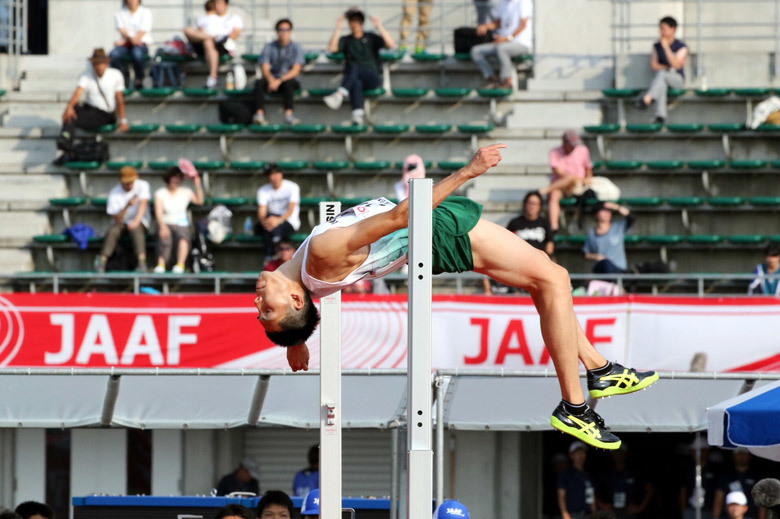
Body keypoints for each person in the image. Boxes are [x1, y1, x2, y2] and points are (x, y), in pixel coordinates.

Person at [254, 143, 659, 449]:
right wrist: (469, 170)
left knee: (550, 279)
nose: (257, 302)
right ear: (294, 301)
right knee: (553, 281)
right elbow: (399, 217)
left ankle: (598, 368)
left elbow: (309, 299)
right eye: (267, 309)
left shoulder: (307, 279)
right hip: (432, 229)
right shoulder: (320, 258)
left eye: (259, 311)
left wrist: (296, 339)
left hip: (428, 233)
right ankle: (575, 408)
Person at [54, 48, 128, 166]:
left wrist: (122, 119)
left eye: (101, 63)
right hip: (90, 109)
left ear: (106, 64)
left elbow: (119, 99)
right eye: (96, 64)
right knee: (72, 110)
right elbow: (78, 92)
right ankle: (66, 141)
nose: (98, 67)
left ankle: (66, 143)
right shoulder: (87, 75)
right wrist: (69, 107)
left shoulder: (115, 75)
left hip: (104, 113)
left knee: (73, 117)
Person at [323, 8, 395, 126]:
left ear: (361, 22)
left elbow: (391, 44)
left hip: (372, 77)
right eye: (351, 20)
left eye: (357, 20)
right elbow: (332, 48)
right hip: (355, 79)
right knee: (356, 82)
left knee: (355, 68)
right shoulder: (346, 40)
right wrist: (338, 27)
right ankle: (357, 114)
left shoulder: (371, 37)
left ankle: (339, 94)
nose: (354, 24)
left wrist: (379, 26)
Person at [482, 190, 552, 295]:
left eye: (535, 204)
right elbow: (505, 243)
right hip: (518, 264)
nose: (531, 206)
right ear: (525, 204)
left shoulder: (544, 223)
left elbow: (550, 245)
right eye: (529, 203)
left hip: (539, 264)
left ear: (539, 207)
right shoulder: (515, 223)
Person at [97, 166, 151, 274]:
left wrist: (136, 220)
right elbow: (116, 219)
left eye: (131, 182)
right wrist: (127, 206)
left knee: (137, 230)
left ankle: (141, 262)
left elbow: (143, 205)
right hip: (121, 223)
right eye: (126, 183)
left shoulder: (143, 185)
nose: (130, 185)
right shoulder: (114, 193)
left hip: (140, 221)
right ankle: (102, 260)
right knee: (112, 231)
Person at [635, 16, 688, 123]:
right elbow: (654, 65)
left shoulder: (681, 46)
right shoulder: (656, 46)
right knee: (661, 80)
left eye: (663, 28)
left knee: (662, 75)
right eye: (660, 28)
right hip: (662, 77)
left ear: (673, 29)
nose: (661, 31)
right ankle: (660, 116)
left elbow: (676, 65)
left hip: (677, 79)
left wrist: (666, 48)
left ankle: (647, 99)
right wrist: (667, 67)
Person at [470, 0, 533, 90]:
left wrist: (507, 38)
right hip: (503, 42)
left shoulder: (523, 2)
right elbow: (498, 23)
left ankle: (507, 82)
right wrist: (486, 26)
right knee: (476, 51)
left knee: (501, 48)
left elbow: (523, 24)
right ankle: (493, 80)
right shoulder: (504, 2)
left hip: (521, 43)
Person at [153, 165, 204, 274]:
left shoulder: (186, 191)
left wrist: (197, 184)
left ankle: (180, 265)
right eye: (174, 177)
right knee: (165, 237)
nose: (177, 180)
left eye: (179, 177)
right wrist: (162, 227)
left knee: (183, 237)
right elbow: (158, 212)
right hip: (165, 223)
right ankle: (161, 264)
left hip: (181, 224)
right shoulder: (160, 193)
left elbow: (199, 201)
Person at [253, 18, 305, 126]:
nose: (284, 33)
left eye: (286, 30)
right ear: (277, 31)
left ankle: (288, 115)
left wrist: (280, 80)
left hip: (287, 80)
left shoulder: (296, 47)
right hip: (273, 79)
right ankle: (259, 114)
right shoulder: (269, 47)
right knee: (259, 83)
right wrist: (271, 80)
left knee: (288, 83)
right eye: (281, 30)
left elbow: (295, 70)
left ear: (290, 31)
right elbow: (264, 67)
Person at [540, 130, 593, 233]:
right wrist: (569, 178)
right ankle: (554, 227)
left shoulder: (583, 150)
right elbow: (558, 172)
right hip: (561, 185)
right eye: (571, 145)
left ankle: (544, 191)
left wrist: (587, 178)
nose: (573, 148)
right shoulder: (554, 152)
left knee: (571, 177)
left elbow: (588, 169)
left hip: (578, 184)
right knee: (554, 195)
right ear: (564, 142)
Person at [184, 0, 243, 89]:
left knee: (208, 42)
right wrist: (211, 37)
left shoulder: (233, 18)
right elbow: (198, 33)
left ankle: (213, 77)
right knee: (187, 30)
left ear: (226, 5)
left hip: (222, 45)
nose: (217, 6)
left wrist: (222, 37)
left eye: (219, 3)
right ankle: (211, 38)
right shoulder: (207, 18)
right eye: (216, 3)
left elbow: (235, 34)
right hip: (204, 43)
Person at [256, 163, 301, 262]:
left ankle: (270, 255)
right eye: (270, 174)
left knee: (274, 230)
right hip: (271, 221)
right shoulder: (263, 190)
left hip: (288, 221)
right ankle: (274, 257)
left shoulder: (292, 187)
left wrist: (278, 220)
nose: (273, 177)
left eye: (275, 174)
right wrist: (266, 222)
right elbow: (261, 213)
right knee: (266, 228)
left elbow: (290, 210)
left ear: (281, 174)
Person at [596, 445, 654, 519]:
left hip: (629, 512)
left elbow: (650, 489)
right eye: (616, 452)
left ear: (626, 454)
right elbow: (592, 488)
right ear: (611, 455)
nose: (618, 455)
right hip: (611, 512)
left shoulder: (634, 472)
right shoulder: (606, 473)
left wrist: (640, 507)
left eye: (621, 452)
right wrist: (602, 505)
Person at [109, 0, 152, 90]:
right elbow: (122, 31)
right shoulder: (120, 13)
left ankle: (139, 79)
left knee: (137, 54)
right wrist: (131, 40)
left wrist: (127, 40)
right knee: (113, 55)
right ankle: (122, 77)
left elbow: (142, 32)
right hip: (125, 45)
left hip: (140, 45)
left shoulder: (145, 12)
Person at [583, 202, 634, 274]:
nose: (607, 213)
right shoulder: (591, 233)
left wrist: (616, 207)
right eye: (603, 210)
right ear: (596, 214)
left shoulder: (618, 227)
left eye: (608, 211)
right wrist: (598, 257)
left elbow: (631, 217)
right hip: (601, 269)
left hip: (618, 269)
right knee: (605, 263)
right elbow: (587, 254)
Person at [712, 449, 763, 519]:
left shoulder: (756, 476)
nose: (741, 456)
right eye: (739, 453)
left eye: (744, 453)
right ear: (733, 455)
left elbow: (761, 503)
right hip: (727, 516)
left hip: (751, 515)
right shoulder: (726, 475)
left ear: (749, 456)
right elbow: (718, 500)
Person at [558, 441, 596, 519]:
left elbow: (591, 496)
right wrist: (564, 513)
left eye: (583, 453)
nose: (580, 456)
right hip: (572, 515)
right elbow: (561, 495)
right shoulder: (565, 474)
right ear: (571, 455)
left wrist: (594, 513)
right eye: (577, 453)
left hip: (587, 515)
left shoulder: (588, 476)